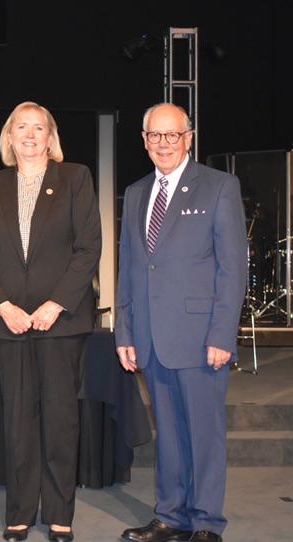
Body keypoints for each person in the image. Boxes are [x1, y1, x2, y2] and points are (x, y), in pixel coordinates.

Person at [0, 101, 101, 542]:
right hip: (9, 323)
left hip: (60, 323)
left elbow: (88, 247)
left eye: (38, 127)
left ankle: (60, 513)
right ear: (9, 137)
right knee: (18, 421)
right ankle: (20, 513)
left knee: (60, 419)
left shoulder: (75, 178)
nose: (29, 134)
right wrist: (2, 305)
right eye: (21, 127)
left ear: (51, 137)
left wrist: (55, 304)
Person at [115, 103, 246, 542]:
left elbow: (232, 269)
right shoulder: (136, 192)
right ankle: (171, 517)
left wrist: (222, 334)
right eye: (155, 135)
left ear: (188, 138)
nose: (164, 144)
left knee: (204, 435)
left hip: (201, 337)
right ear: (144, 140)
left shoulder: (219, 186)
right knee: (168, 435)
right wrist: (126, 331)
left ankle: (206, 522)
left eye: (172, 135)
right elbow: (130, 268)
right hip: (151, 337)